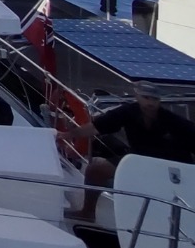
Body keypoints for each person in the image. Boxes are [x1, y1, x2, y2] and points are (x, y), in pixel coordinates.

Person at [63, 81, 195, 221]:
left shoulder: (174, 121)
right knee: (95, 168)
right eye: (146, 97)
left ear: (159, 101)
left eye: (154, 99)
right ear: (137, 97)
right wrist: (67, 135)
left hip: (169, 168)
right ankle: (87, 213)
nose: (150, 103)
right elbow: (96, 127)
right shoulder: (128, 112)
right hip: (137, 161)